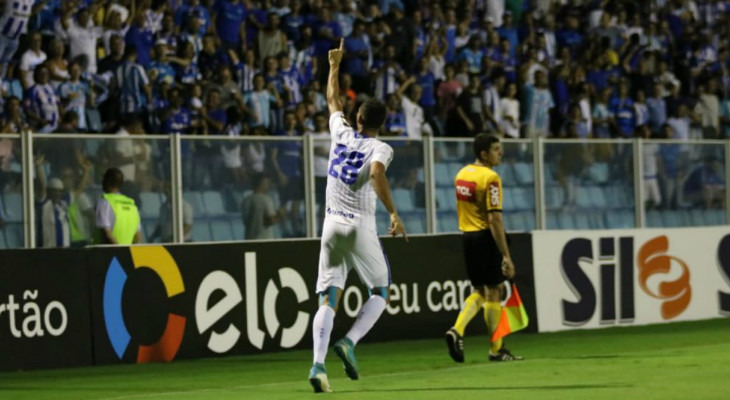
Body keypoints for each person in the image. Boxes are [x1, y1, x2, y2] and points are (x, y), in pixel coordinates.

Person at [308, 39, 407, 393]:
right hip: (359, 225)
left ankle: (318, 366)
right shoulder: (381, 147)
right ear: (382, 123)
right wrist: (394, 214)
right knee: (380, 288)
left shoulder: (341, 131)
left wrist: (334, 66)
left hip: (331, 223)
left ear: (358, 118)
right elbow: (378, 173)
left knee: (328, 296)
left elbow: (333, 100)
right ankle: (349, 342)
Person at [445, 134, 521, 363]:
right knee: (495, 289)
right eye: (496, 149)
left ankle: (457, 330)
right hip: (486, 238)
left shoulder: (461, 174)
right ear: (484, 154)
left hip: (467, 236)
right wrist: (506, 254)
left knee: (480, 289)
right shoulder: (491, 177)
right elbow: (494, 218)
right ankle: (495, 349)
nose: (501, 153)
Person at [94, 167, 142, 245]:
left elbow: (107, 233)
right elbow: (138, 237)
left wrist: (120, 251)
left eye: (103, 179)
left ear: (107, 181)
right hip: (128, 254)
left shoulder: (104, 202)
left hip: (107, 254)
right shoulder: (132, 205)